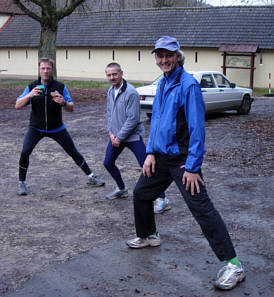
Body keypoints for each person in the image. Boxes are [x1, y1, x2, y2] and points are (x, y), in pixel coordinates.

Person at [126, 36, 245, 290]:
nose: (164, 60)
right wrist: (149, 152)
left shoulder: (188, 85)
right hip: (160, 156)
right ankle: (149, 235)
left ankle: (234, 264)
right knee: (141, 194)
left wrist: (192, 167)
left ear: (178, 56)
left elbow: (197, 130)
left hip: (182, 160)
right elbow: (156, 122)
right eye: (159, 56)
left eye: (168, 55)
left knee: (201, 208)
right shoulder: (164, 83)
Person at [15, 57, 104, 195]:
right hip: (36, 128)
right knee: (25, 152)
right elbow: (17, 105)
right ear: (39, 70)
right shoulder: (32, 87)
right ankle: (21, 183)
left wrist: (63, 103)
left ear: (52, 70)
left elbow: (71, 108)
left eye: (48, 68)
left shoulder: (60, 87)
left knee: (72, 151)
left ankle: (91, 176)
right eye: (43, 68)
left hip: (57, 128)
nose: (45, 71)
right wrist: (29, 96)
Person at [103, 62, 169, 213]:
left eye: (115, 74)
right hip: (116, 136)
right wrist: (111, 133)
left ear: (121, 73)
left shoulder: (131, 92)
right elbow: (109, 113)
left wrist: (119, 137)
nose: (112, 77)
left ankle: (162, 199)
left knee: (146, 165)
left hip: (132, 137)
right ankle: (121, 188)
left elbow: (133, 119)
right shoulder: (110, 90)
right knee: (108, 162)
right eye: (109, 75)